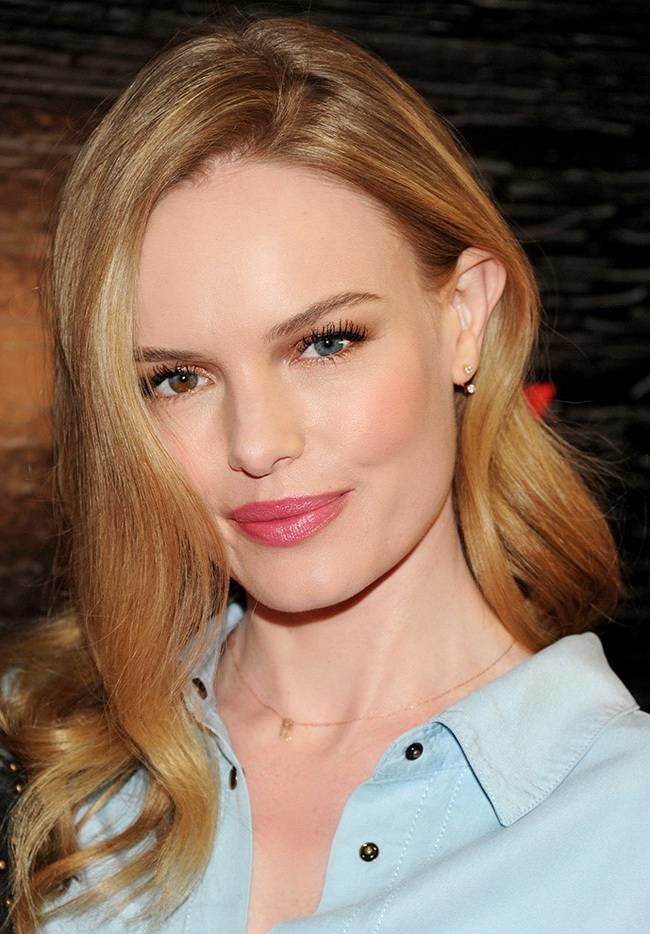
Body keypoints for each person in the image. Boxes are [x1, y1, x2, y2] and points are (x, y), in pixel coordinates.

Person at [1, 12, 648, 934]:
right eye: (177, 379)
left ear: (464, 318)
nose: (257, 444)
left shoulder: (625, 827)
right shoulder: (36, 759)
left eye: (325, 342)